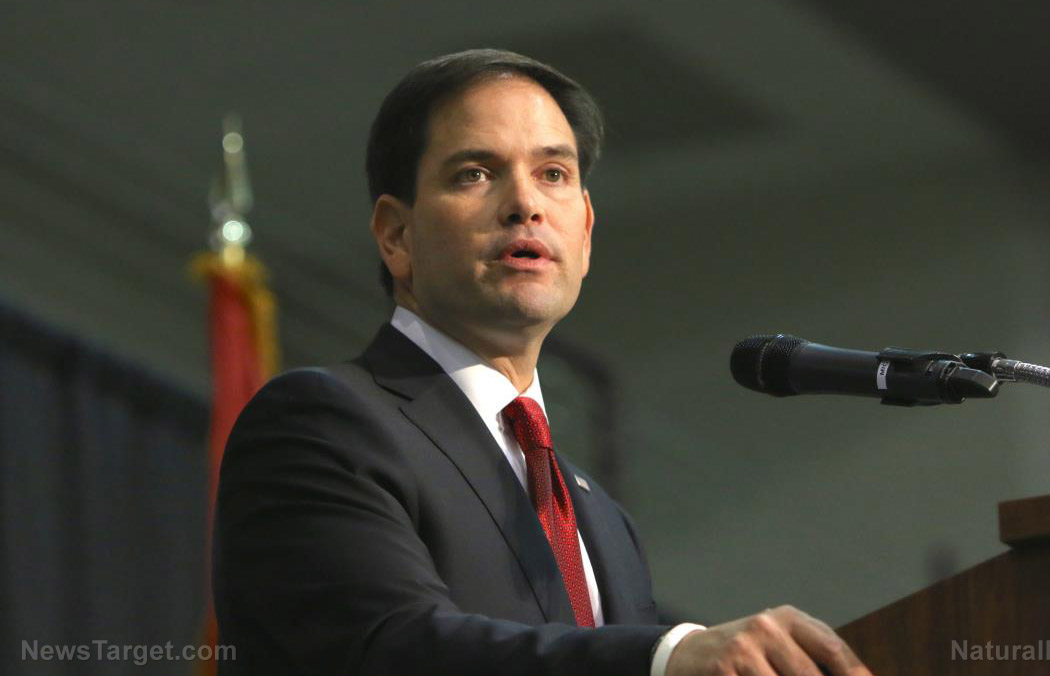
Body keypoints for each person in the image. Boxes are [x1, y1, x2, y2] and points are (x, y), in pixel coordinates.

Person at [213, 48, 873, 676]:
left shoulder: (604, 521)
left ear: (585, 231)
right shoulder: (322, 423)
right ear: (396, 235)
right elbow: (392, 649)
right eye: (475, 173)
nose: (525, 204)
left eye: (553, 174)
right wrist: (665, 659)